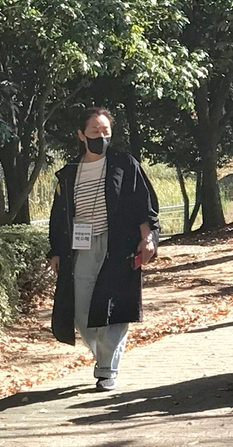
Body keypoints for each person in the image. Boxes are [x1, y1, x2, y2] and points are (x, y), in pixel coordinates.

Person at [48, 107, 160, 391]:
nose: (101, 137)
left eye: (105, 132)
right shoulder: (68, 174)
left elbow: (143, 206)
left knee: (116, 308)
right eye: (95, 132)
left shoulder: (125, 165)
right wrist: (57, 251)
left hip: (119, 246)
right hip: (81, 247)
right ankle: (104, 356)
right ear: (81, 136)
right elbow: (59, 216)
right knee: (82, 313)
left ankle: (107, 369)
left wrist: (148, 239)